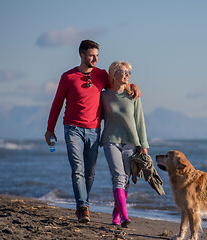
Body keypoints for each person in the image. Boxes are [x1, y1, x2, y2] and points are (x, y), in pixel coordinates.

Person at [44, 40, 140, 223]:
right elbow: (57, 103)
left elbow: (119, 83)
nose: (95, 58)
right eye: (91, 55)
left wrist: (134, 86)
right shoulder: (68, 77)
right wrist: (50, 129)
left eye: (97, 55)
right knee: (77, 169)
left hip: (94, 130)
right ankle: (83, 207)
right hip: (72, 128)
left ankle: (83, 204)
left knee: (90, 173)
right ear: (82, 55)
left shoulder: (101, 75)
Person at [99, 61, 149, 228]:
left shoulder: (133, 95)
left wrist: (144, 145)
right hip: (110, 140)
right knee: (118, 177)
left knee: (125, 179)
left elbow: (140, 121)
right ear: (113, 74)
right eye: (123, 71)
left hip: (130, 142)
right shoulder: (104, 95)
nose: (127, 75)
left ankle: (116, 216)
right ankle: (125, 217)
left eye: (129, 72)